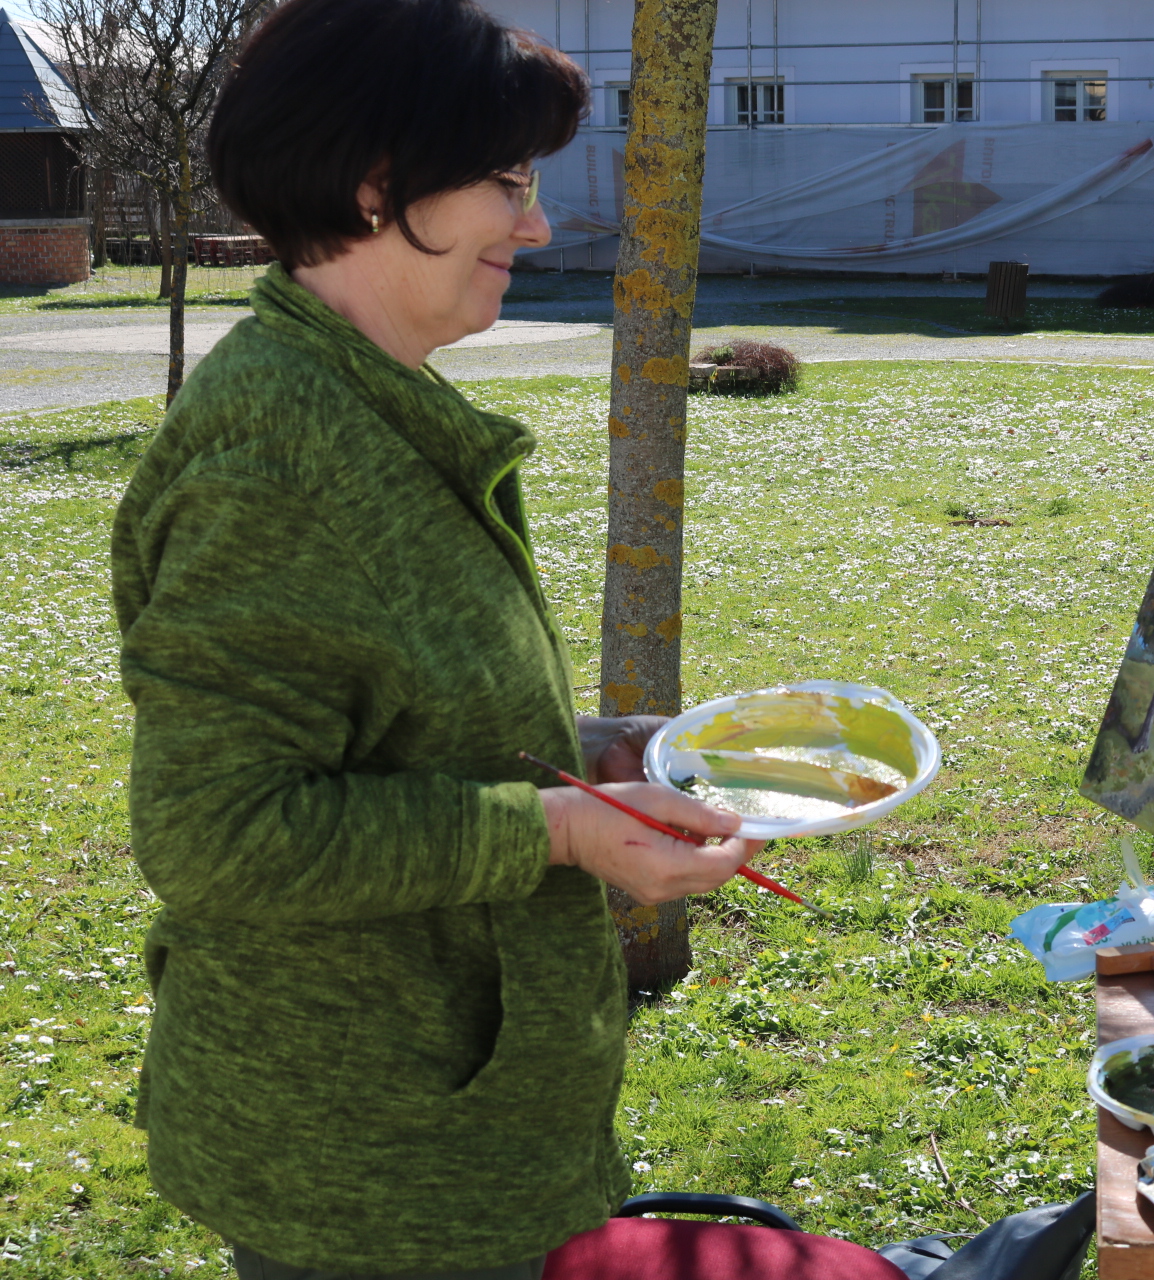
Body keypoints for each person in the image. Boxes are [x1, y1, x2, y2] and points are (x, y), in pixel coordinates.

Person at [109, 3, 905, 1277]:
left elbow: (401, 724)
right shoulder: (275, 454)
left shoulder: (368, 399)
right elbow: (216, 832)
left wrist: (613, 753)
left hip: (443, 1126)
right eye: (508, 180)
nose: (535, 223)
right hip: (368, 1171)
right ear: (380, 186)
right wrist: (563, 828)